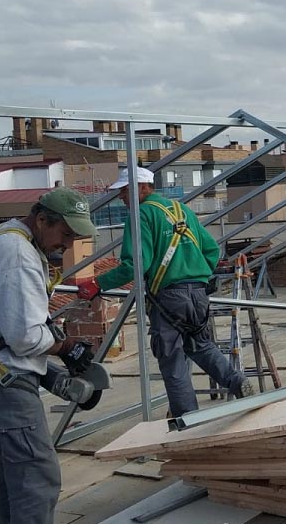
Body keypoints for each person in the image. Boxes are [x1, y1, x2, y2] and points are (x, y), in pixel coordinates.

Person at [0, 187, 98, 524]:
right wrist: (66, 347)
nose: (68, 244)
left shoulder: (6, 236)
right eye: (65, 234)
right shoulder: (18, 255)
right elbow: (24, 337)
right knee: (36, 481)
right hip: (2, 384)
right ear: (42, 219)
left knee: (7, 479)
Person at [77, 167, 253, 417]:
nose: (122, 198)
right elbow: (212, 249)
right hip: (198, 293)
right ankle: (236, 382)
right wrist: (199, 275)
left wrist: (97, 284)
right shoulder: (181, 210)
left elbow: (136, 265)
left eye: (125, 191)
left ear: (143, 187)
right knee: (201, 346)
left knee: (172, 361)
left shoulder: (142, 214)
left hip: (169, 298)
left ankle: (188, 419)